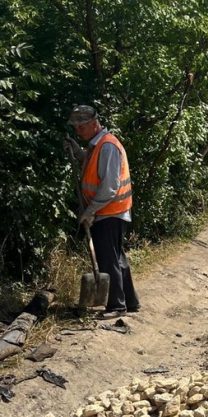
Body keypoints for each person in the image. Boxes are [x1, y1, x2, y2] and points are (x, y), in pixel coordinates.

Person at [65, 105, 140, 319]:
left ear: (93, 124)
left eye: (81, 127)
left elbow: (109, 187)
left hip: (109, 211)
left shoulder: (107, 146)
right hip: (110, 210)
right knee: (117, 257)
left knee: (108, 259)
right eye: (75, 128)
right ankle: (130, 300)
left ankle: (117, 305)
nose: (78, 131)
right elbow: (92, 164)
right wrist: (78, 153)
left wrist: (90, 211)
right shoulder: (96, 145)